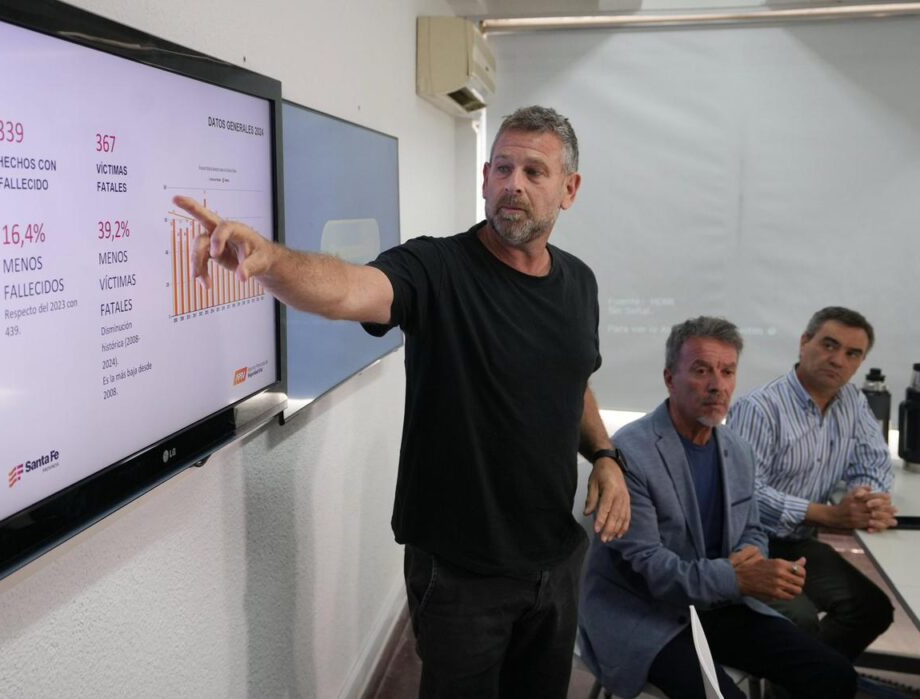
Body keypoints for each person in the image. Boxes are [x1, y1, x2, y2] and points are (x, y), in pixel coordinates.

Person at [174, 105, 631, 698]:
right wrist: (272, 261)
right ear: (485, 178)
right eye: (503, 168)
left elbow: (574, 379)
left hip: (556, 560)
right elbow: (349, 291)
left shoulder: (580, 283)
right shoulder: (436, 268)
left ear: (569, 189)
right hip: (462, 574)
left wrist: (604, 455)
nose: (513, 184)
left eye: (534, 172)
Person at [578, 317, 856, 699]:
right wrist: (737, 578)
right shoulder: (629, 453)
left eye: (727, 372)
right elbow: (654, 571)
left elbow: (752, 527)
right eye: (701, 370)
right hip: (643, 612)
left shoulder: (737, 450)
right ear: (669, 379)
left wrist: (751, 556)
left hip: (716, 605)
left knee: (835, 674)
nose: (717, 385)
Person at [727, 306, 897, 660]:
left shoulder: (852, 401)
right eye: (829, 345)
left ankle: (804, 680)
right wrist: (828, 515)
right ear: (805, 343)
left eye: (852, 354)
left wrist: (866, 499)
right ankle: (806, 676)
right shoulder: (759, 407)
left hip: (798, 542)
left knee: (872, 609)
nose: (838, 360)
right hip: (745, 542)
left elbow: (875, 461)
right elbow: (745, 494)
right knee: (800, 622)